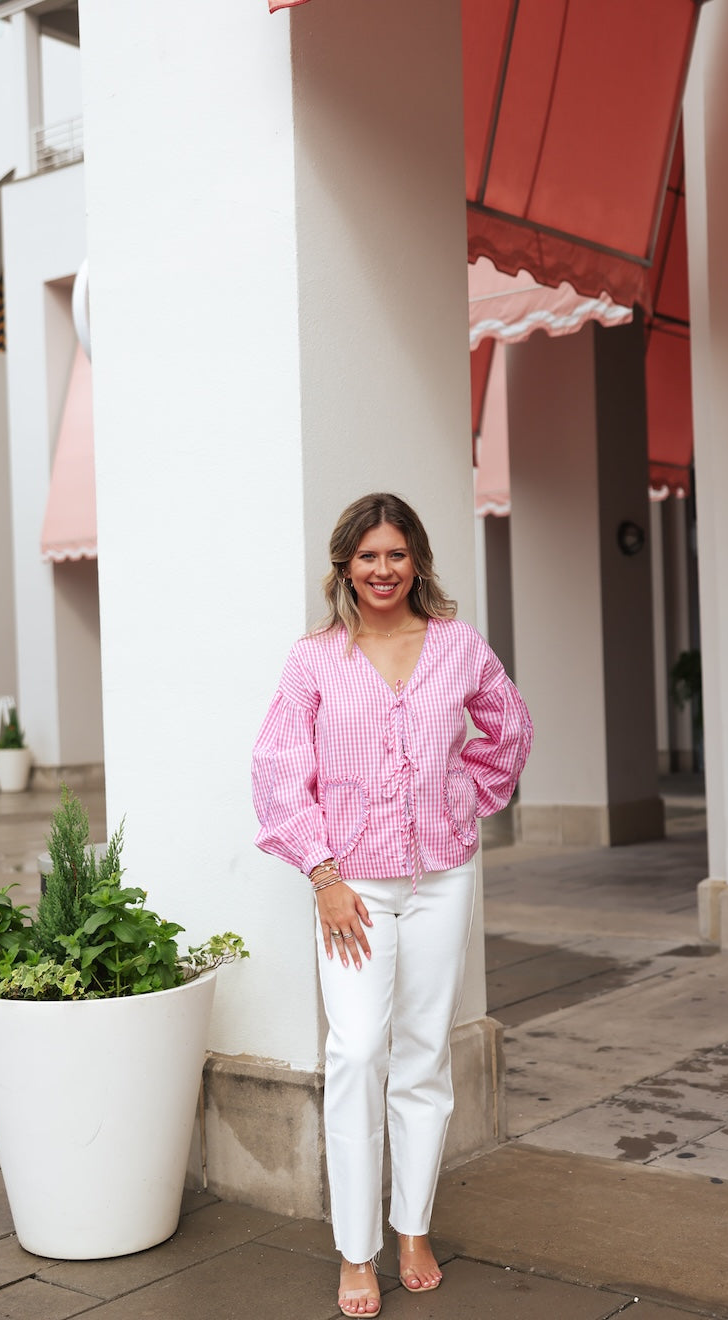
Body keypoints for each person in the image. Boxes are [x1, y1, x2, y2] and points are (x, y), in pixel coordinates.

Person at [251, 493, 532, 1318]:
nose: (383, 570)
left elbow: (507, 729)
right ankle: (354, 1247)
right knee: (357, 1052)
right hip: (354, 888)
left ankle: (411, 1227)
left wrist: (463, 797)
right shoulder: (314, 662)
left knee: (422, 1054)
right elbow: (277, 769)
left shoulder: (457, 647)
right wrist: (322, 874)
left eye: (396, 554)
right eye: (367, 556)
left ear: (418, 562)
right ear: (345, 566)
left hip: (441, 878)